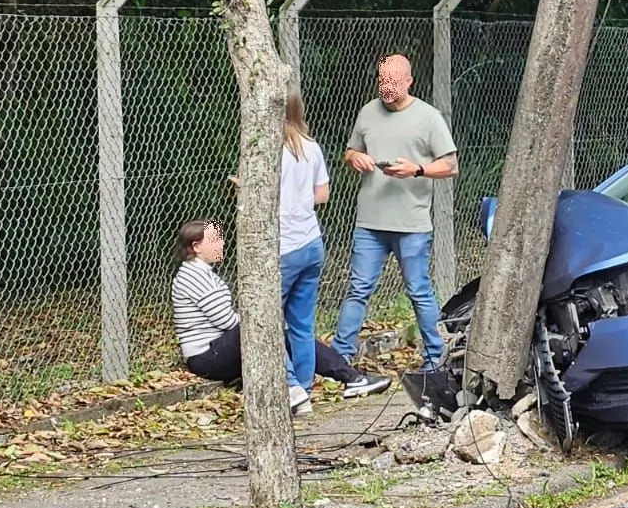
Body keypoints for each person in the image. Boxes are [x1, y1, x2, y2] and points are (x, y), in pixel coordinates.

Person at [331, 53, 458, 376]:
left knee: (418, 290)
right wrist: (355, 158)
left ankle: (434, 357)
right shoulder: (368, 112)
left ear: (409, 82)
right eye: (382, 81)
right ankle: (338, 359)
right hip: (370, 222)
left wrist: (417, 169)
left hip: (411, 224)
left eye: (393, 82)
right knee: (358, 288)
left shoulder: (429, 118)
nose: (386, 88)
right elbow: (350, 151)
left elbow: (450, 166)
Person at [172, 220, 372, 417]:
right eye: (215, 240)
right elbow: (227, 322)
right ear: (196, 246)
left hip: (217, 348)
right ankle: (342, 378)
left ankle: (342, 378)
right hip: (206, 357)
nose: (222, 243)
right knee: (263, 326)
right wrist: (261, 319)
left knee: (277, 330)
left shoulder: (201, 273)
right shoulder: (194, 276)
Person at [279, 92, 389, 408]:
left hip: (282, 245)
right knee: (301, 325)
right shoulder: (311, 148)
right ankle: (304, 391)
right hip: (311, 242)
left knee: (269, 322)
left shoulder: (270, 149)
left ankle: (290, 387)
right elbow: (322, 195)